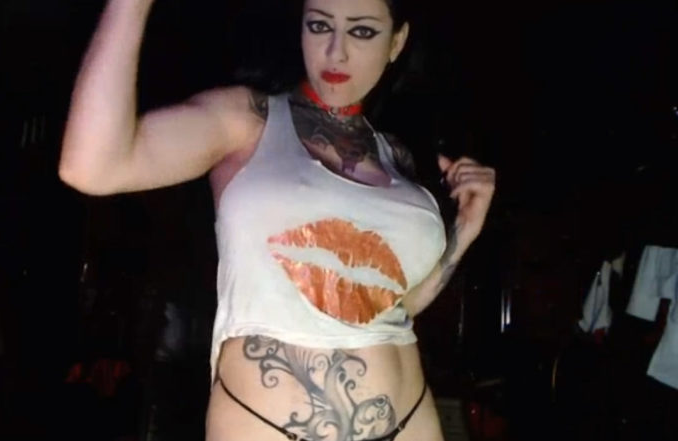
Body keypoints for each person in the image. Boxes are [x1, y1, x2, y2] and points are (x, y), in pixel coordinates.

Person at [59, 0, 496, 439]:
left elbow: (393, 306)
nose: (336, 51)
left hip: (410, 423)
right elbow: (91, 166)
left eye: (361, 31)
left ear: (397, 42)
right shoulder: (248, 120)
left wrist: (465, 229)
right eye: (319, 25)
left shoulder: (396, 155)